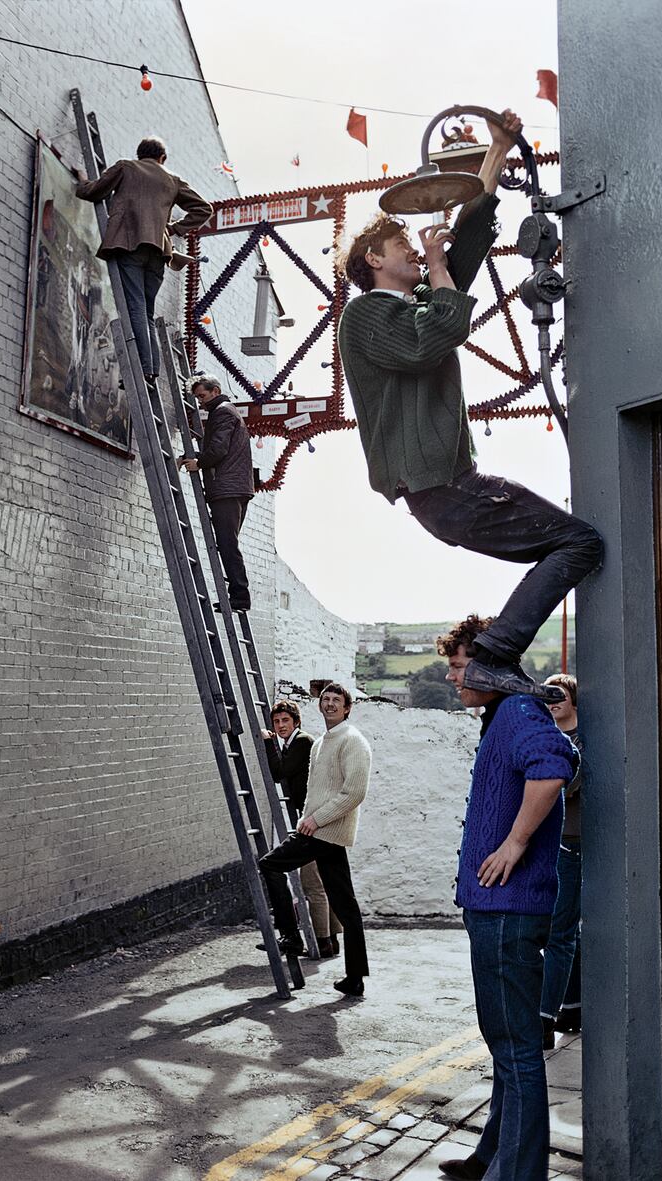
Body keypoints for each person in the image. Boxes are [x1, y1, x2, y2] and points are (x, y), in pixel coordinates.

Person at [336, 110, 603, 702]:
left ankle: (493, 656)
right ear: (374, 261)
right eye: (401, 242)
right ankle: (493, 656)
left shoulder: (420, 299)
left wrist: (500, 149)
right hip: (442, 487)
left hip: (450, 487)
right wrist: (434, 269)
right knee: (580, 543)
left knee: (575, 542)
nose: (415, 247)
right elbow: (434, 336)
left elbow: (470, 236)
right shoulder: (365, 315)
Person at [436, 617, 578, 1181]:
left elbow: (553, 768)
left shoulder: (518, 713)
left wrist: (515, 844)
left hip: (507, 910)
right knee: (506, 1043)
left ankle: (517, 1175)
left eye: (457, 666)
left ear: (491, 666)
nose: (452, 678)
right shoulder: (502, 715)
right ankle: (492, 1155)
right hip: (498, 908)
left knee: (516, 1049)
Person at [258, 684, 371, 997]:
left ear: (347, 708)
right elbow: (316, 791)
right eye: (326, 700)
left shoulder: (353, 740)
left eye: (337, 701)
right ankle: (355, 978)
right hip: (319, 831)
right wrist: (305, 818)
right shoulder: (322, 742)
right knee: (346, 906)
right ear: (320, 707)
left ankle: (291, 935)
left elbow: (354, 792)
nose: (331, 704)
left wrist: (314, 821)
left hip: (323, 831)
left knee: (268, 865)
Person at [76, 136, 212, 380]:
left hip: (129, 246)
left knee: (136, 307)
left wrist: (82, 179)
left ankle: (146, 369)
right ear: (162, 158)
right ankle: (151, 369)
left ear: (140, 154)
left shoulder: (126, 167)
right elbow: (204, 209)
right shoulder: (173, 179)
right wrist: (173, 228)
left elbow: (93, 192)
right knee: (146, 311)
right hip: (159, 252)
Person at [260, 700, 343, 957]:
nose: (281, 725)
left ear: (296, 722)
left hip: (314, 820)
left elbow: (278, 772)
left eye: (285, 721)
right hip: (317, 818)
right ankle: (330, 940)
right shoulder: (296, 743)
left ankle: (322, 941)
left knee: (312, 884)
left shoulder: (302, 742)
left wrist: (267, 743)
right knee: (320, 880)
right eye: (276, 722)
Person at [178, 374, 254, 611]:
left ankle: (239, 599)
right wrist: (195, 458)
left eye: (202, 396)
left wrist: (198, 463)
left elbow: (218, 449)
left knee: (227, 544)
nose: (200, 402)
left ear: (215, 390)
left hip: (226, 489)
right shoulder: (227, 412)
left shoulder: (222, 412)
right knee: (228, 543)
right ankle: (238, 597)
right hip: (234, 487)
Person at [540, 673, 583, 1047]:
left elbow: (562, 788)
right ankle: (572, 1006)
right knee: (567, 932)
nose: (552, 700)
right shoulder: (548, 738)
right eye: (548, 695)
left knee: (559, 934)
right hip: (549, 845)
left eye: (560, 695)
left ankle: (544, 1018)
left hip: (571, 845)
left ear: (574, 701)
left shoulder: (580, 741)